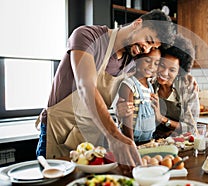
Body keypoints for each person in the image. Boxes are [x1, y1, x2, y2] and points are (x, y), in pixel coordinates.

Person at [35, 9, 175, 175]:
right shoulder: (88, 36)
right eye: (148, 40)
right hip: (59, 130)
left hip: (89, 137)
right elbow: (85, 85)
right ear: (138, 24)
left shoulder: (130, 62)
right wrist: (113, 135)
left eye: (152, 46)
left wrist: (120, 112)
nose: (146, 49)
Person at [117, 34, 199, 140]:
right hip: (152, 140)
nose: (164, 73)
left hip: (180, 141)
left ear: (179, 71)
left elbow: (191, 128)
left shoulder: (187, 88)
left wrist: (161, 119)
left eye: (172, 70)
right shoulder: (149, 82)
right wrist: (120, 110)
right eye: (161, 65)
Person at [118, 49, 161, 145]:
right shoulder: (129, 85)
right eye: (148, 61)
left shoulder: (150, 86)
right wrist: (130, 143)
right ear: (137, 60)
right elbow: (127, 119)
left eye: (156, 63)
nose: (152, 66)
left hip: (148, 141)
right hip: (132, 141)